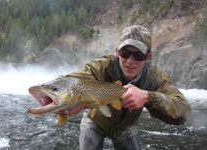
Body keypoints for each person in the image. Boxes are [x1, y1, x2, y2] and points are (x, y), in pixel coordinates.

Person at [55, 25, 191, 150]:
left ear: (148, 57)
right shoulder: (101, 66)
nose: (130, 61)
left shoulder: (155, 77)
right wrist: (63, 100)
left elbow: (182, 110)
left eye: (138, 55)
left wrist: (148, 97)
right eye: (125, 53)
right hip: (95, 121)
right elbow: (72, 81)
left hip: (126, 126)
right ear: (117, 52)